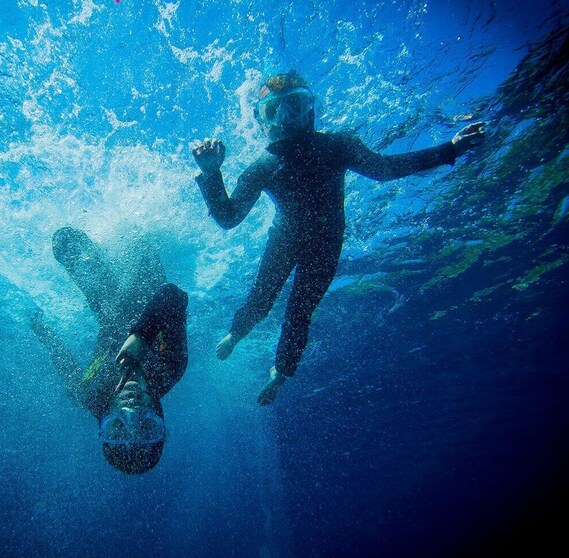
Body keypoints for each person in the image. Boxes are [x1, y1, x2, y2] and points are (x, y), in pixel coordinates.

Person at [192, 70, 485, 406]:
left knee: (299, 311)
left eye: (295, 105)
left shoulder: (336, 145)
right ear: (261, 122)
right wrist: (211, 173)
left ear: (312, 110)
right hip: (289, 239)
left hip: (324, 245)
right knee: (262, 298)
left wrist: (449, 149)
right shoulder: (266, 164)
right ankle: (237, 332)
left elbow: (384, 169)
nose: (286, 117)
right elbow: (229, 218)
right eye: (273, 111)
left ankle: (280, 372)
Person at [30, 227, 188, 474]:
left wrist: (42, 331)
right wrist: (141, 336)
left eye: (117, 428)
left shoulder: (89, 395)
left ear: (103, 426)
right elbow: (173, 295)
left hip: (108, 308)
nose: (131, 411)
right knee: (139, 240)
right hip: (148, 291)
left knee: (66, 243)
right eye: (147, 427)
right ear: (161, 422)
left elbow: (62, 359)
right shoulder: (169, 370)